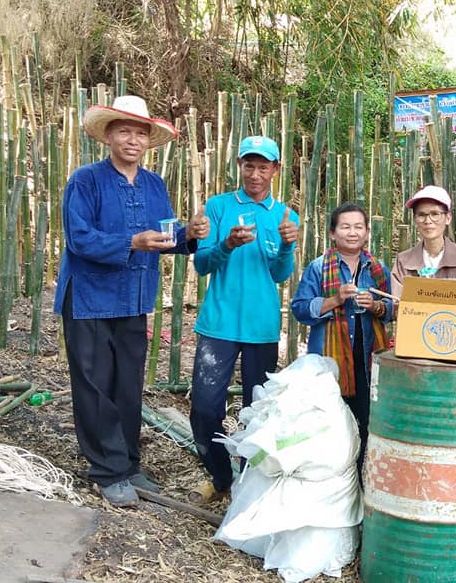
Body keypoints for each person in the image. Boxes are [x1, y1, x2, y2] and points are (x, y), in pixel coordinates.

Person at [56, 94, 210, 507]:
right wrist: (130, 241)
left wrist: (189, 235)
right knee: (94, 384)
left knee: (127, 384)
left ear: (148, 142)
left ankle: (129, 464)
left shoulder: (154, 184)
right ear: (108, 136)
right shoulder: (86, 180)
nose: (132, 140)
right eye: (124, 131)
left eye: (140, 133)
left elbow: (164, 235)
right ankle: (107, 471)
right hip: (88, 296)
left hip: (133, 296)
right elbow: (79, 239)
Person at [189, 135, 300, 504]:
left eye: (263, 166)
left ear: (276, 170)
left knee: (257, 414)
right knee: (205, 410)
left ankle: (248, 489)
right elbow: (202, 264)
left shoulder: (285, 216)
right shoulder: (219, 207)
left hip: (262, 328)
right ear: (239, 166)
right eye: (249, 165)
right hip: (218, 324)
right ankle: (222, 478)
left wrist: (287, 245)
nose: (255, 174)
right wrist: (226, 246)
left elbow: (281, 275)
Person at [290, 203, 393, 472]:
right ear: (333, 233)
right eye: (345, 227)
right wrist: (334, 300)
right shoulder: (318, 267)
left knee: (366, 424)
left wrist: (375, 305)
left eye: (358, 226)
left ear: (368, 232)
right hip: (330, 362)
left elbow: (392, 310)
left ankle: (360, 484)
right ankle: (330, 484)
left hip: (368, 361)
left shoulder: (378, 269)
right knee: (330, 424)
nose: (352, 232)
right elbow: (300, 309)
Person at [391, 185, 456, 297]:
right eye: (421, 215)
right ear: (415, 220)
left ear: (448, 218)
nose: (428, 221)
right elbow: (398, 306)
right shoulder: (403, 262)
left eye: (435, 214)